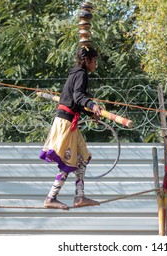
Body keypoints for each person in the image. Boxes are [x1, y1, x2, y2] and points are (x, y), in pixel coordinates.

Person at [39, 46, 103, 210]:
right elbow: (79, 97)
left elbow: (76, 102)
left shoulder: (76, 73)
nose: (95, 64)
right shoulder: (81, 74)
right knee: (70, 161)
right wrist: (93, 105)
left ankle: (79, 196)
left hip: (68, 122)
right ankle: (51, 197)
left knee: (82, 157)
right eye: (94, 61)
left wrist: (90, 113)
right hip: (66, 123)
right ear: (87, 60)